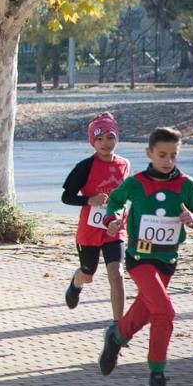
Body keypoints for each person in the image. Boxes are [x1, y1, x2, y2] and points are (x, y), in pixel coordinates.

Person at [98, 127, 193, 386]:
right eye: (161, 155)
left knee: (146, 312)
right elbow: (116, 202)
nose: (167, 161)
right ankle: (157, 373)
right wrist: (112, 220)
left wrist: (192, 219)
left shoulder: (186, 184)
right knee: (165, 312)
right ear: (149, 153)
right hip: (140, 258)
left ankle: (116, 337)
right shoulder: (136, 182)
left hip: (167, 259)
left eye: (173, 155)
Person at [62, 113, 130, 321]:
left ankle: (118, 328)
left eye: (110, 137)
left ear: (117, 137)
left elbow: (128, 195)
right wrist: (89, 200)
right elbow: (67, 197)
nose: (105, 143)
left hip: (115, 229)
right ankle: (76, 282)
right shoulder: (85, 166)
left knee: (116, 273)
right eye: (99, 139)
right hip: (90, 231)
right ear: (92, 141)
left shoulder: (124, 164)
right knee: (88, 275)